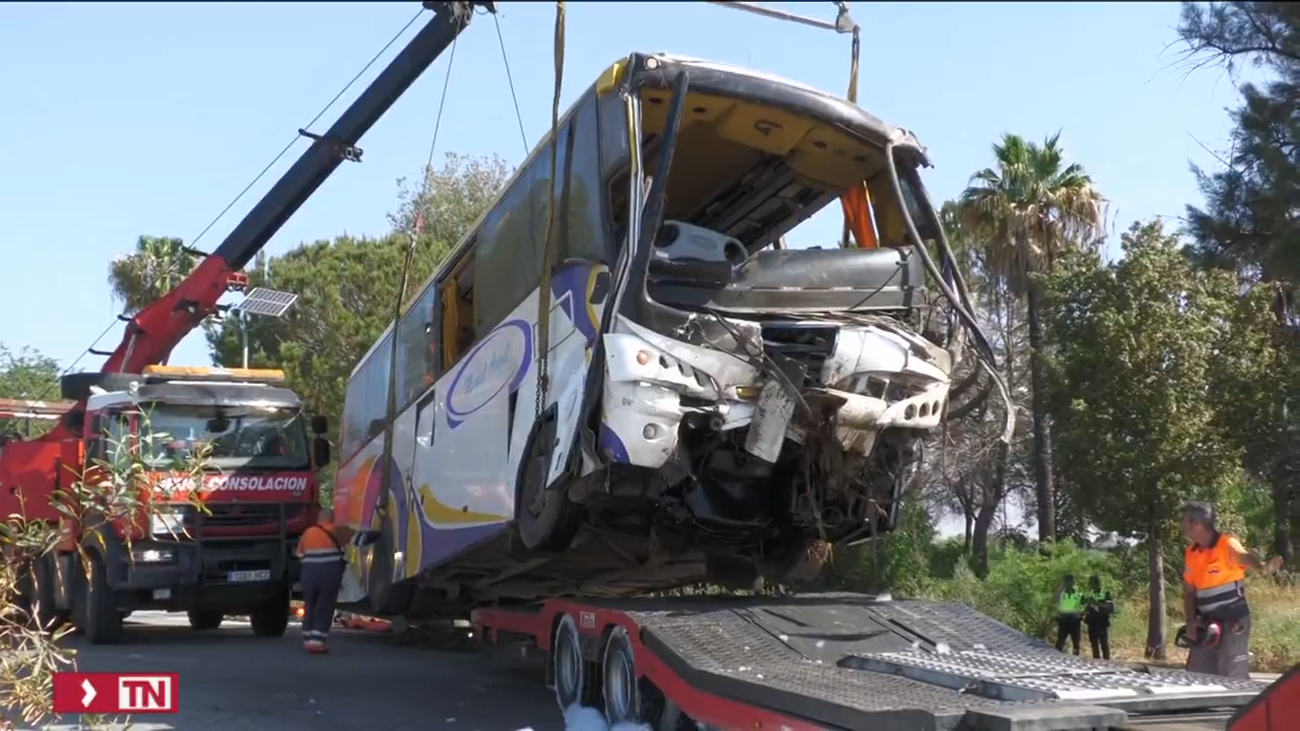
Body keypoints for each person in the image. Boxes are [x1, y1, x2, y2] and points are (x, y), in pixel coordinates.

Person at [1179, 501, 1283, 678]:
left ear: (1196, 523)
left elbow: (1245, 558)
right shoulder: (1191, 552)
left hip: (1233, 619)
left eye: (1184, 520)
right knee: (1199, 672)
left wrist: (1263, 566)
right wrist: (1190, 621)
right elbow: (1189, 591)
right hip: (1205, 621)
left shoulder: (1227, 544)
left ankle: (1241, 704)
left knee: (1232, 669)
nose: (1182, 525)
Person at [295, 508, 352, 654]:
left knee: (310, 603)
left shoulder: (307, 533)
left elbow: (299, 554)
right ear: (332, 518)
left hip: (308, 573)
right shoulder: (337, 530)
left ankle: (307, 637)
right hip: (329, 572)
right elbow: (362, 539)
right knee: (325, 604)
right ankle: (317, 641)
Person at [1083, 575, 1116, 660]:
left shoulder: (1105, 593)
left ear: (1097, 583)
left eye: (1092, 584)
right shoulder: (1090, 593)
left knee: (1103, 642)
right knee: (1093, 643)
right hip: (1092, 621)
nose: (1091, 586)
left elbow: (1110, 607)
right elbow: (1088, 606)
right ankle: (1096, 660)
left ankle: (1107, 660)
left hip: (1102, 621)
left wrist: (1097, 603)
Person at [1053, 574, 1084, 655]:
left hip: (1074, 620)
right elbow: (1054, 599)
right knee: (1060, 642)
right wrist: (1060, 588)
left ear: (1073, 582)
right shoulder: (1061, 594)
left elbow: (1086, 604)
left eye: (1070, 581)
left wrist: (1081, 614)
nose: (1069, 584)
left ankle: (1076, 658)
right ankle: (1057, 657)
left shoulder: (1078, 594)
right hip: (1063, 620)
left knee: (1076, 642)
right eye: (1067, 582)